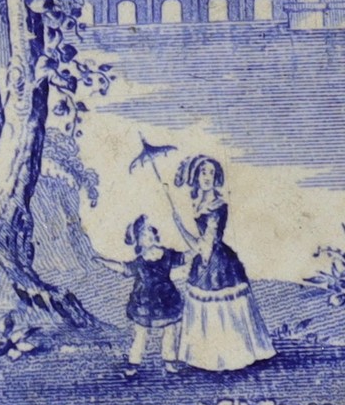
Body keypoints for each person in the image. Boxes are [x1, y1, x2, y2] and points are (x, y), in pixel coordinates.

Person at [168, 155, 275, 371]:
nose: (207, 177)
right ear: (196, 176)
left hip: (217, 261)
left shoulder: (217, 206)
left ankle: (228, 357)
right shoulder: (199, 202)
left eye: (211, 173)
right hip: (206, 259)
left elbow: (204, 247)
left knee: (220, 307)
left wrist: (180, 226)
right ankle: (205, 356)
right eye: (203, 172)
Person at [88, 214, 188, 377]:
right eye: (143, 234)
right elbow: (123, 268)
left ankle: (170, 362)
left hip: (167, 299)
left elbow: (186, 257)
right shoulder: (139, 262)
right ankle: (133, 364)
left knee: (170, 331)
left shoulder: (168, 254)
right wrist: (103, 261)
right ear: (138, 241)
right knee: (141, 334)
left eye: (150, 232)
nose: (149, 236)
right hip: (144, 302)